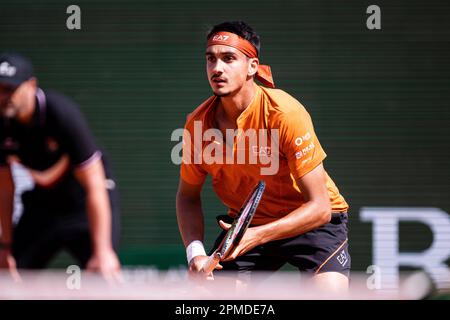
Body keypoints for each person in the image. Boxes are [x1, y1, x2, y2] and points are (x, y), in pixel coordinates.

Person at [176, 21, 350, 291]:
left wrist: (256, 235)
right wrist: (195, 253)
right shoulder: (197, 125)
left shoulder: (285, 113)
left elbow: (320, 208)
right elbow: (187, 196)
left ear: (252, 67)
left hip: (309, 223)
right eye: (210, 59)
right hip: (249, 225)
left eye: (229, 58)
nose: (217, 68)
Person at [0, 53, 121, 280]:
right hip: (43, 205)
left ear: (31, 85)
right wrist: (5, 248)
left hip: (84, 204)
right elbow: (5, 187)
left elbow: (95, 184)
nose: (4, 96)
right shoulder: (2, 122)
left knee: (103, 274)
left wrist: (103, 251)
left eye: (11, 89)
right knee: (9, 275)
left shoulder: (60, 114)